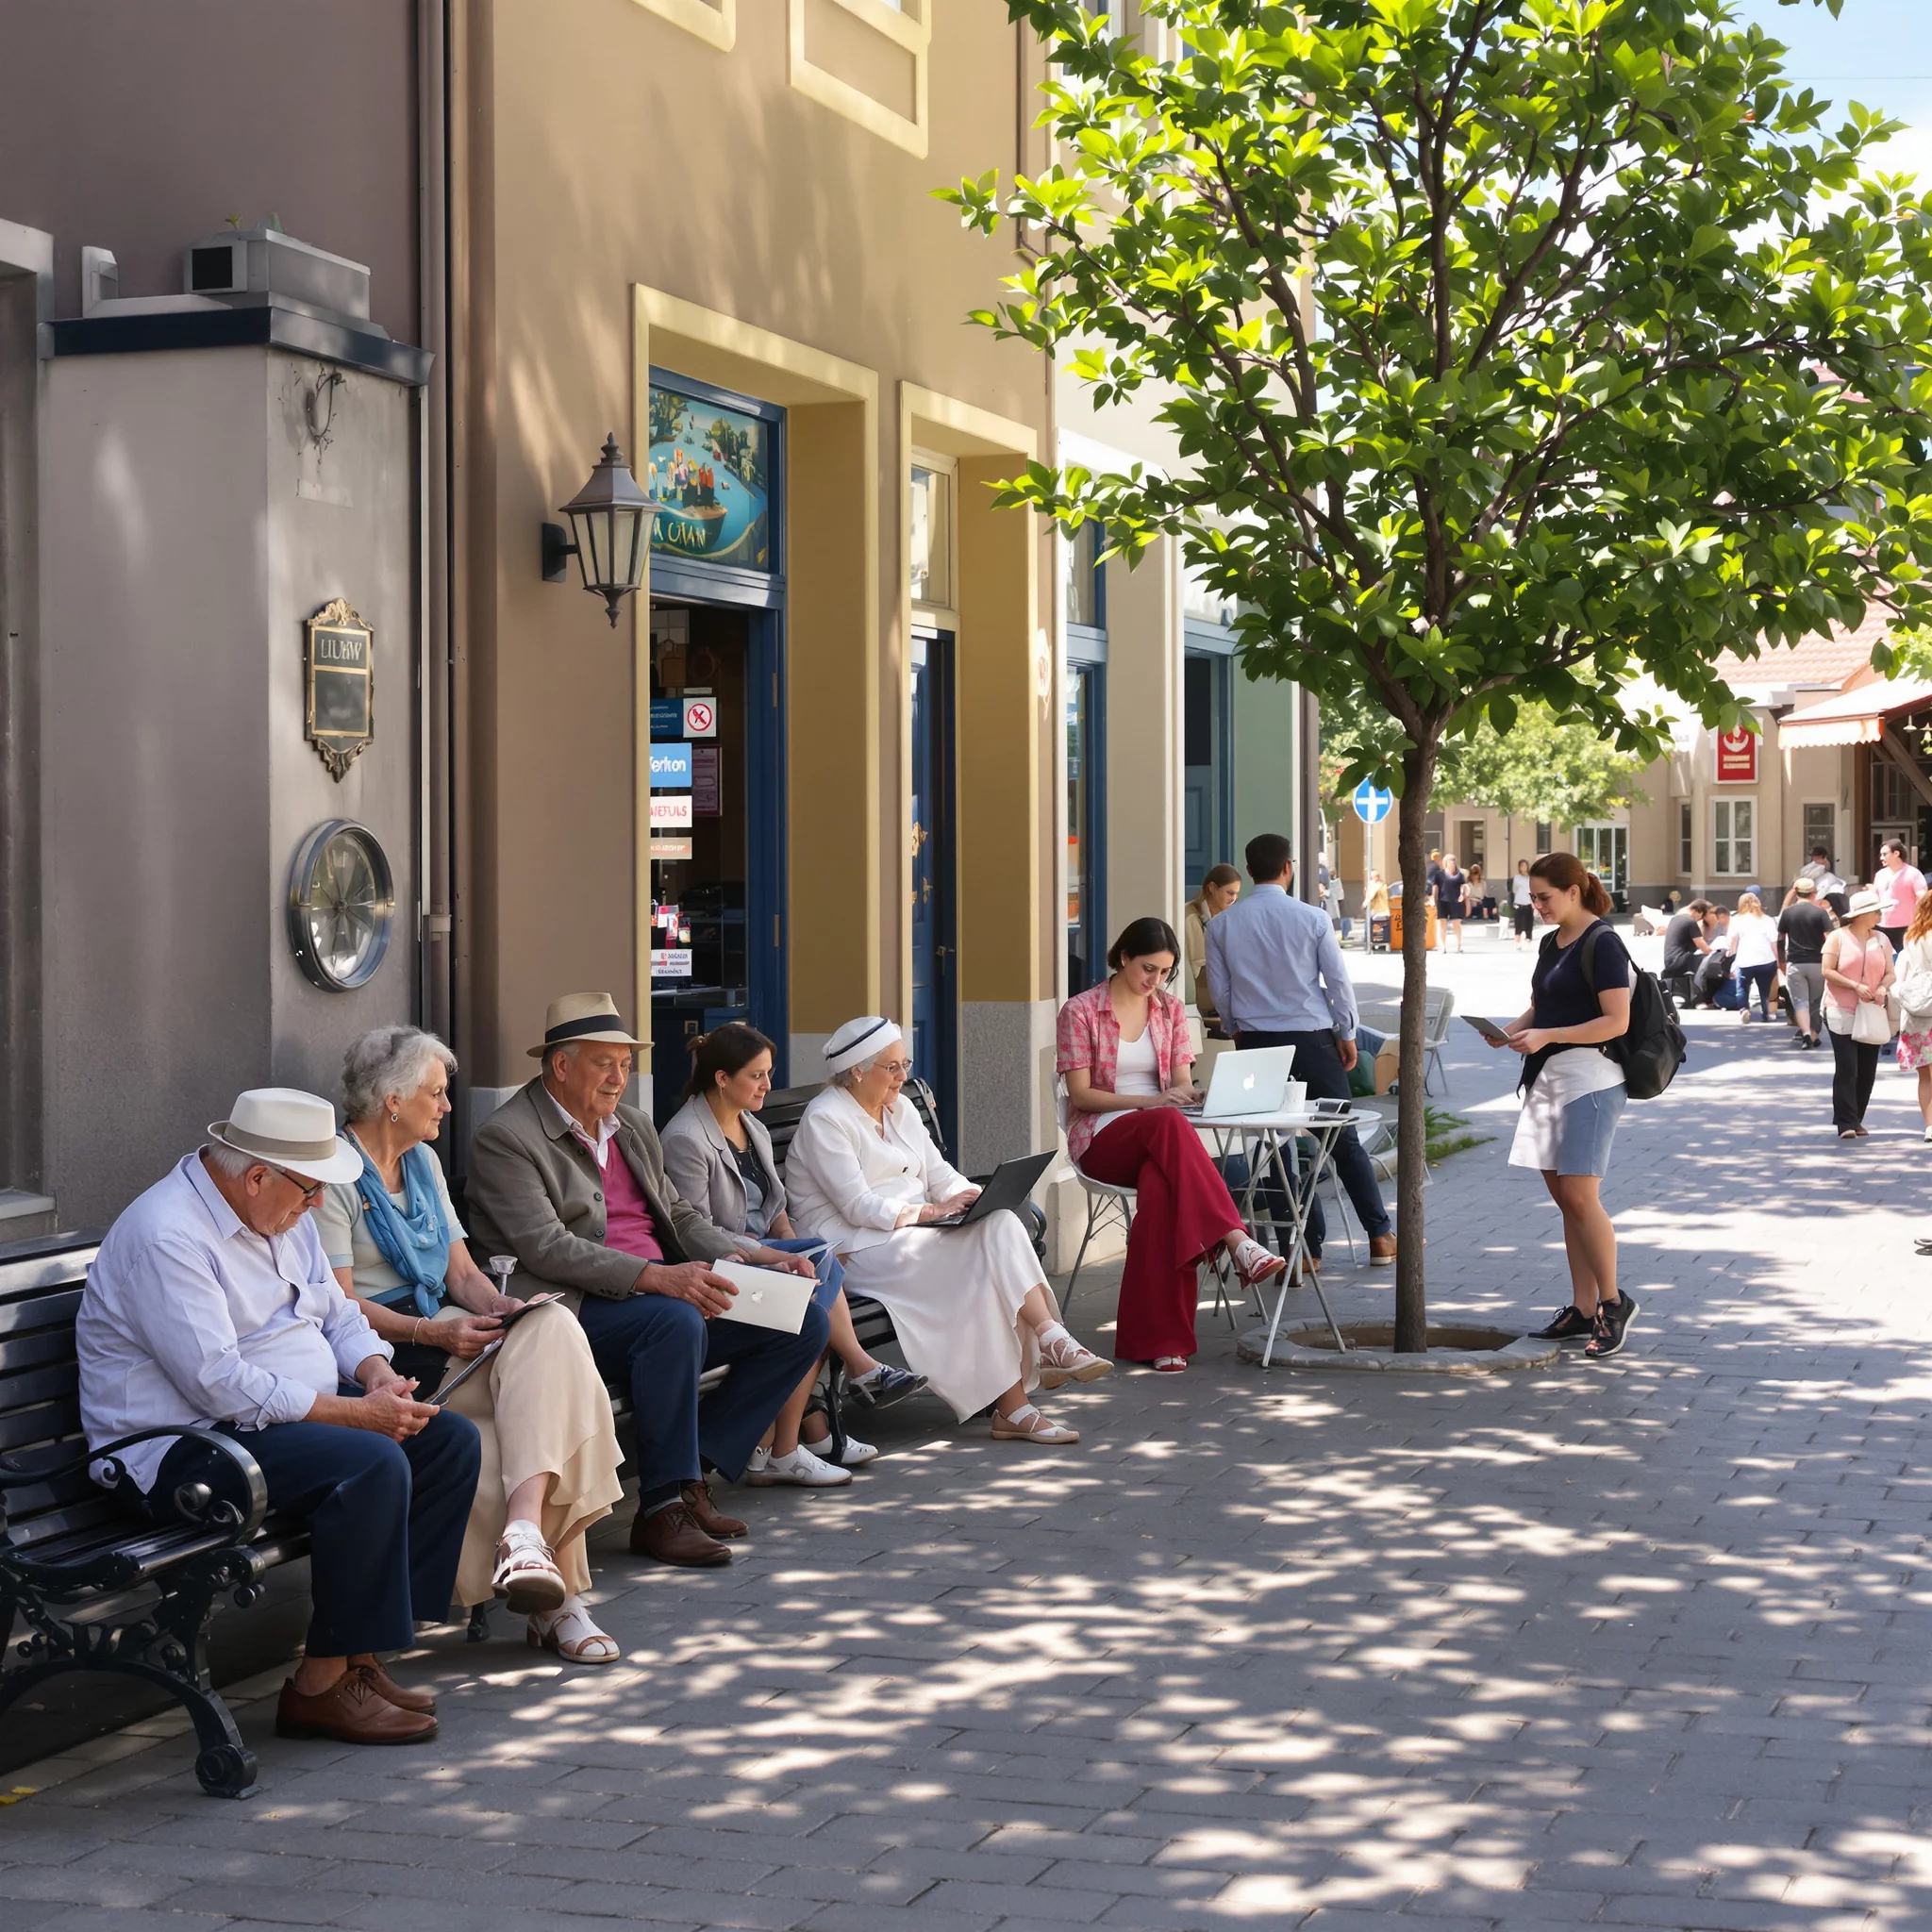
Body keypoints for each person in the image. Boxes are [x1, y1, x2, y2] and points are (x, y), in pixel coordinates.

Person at [76, 1089, 478, 1744]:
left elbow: (338, 1313)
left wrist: (377, 1373)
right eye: (310, 1190)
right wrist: (353, 1414)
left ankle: (361, 1658)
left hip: (266, 1426)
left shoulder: (277, 1214)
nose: (317, 1204)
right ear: (259, 1175)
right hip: (177, 1449)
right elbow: (218, 1385)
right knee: (372, 1461)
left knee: (447, 1439)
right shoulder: (168, 1234)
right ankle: (319, 1686)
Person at [465, 994, 831, 1569]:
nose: (619, 1078)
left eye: (625, 1064)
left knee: (798, 1318)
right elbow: (546, 1246)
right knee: (676, 1321)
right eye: (604, 1063)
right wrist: (656, 1278)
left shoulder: (630, 1125)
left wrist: (758, 1257)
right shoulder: (507, 1137)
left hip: (664, 1290)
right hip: (575, 1309)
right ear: (561, 1065)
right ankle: (660, 1509)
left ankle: (691, 1477)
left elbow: (681, 1215)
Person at [315, 1026, 625, 1664]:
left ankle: (523, 1535)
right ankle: (558, 1598)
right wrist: (434, 1330)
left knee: (550, 1325)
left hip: (449, 1328)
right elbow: (339, 1304)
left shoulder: (423, 1163)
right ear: (392, 1100)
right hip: (387, 1353)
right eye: (437, 1093)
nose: (448, 1106)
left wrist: (500, 1307)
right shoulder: (336, 1176)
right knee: (522, 1417)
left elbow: (462, 1274)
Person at [785, 1017, 1108, 1443]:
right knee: (980, 1265)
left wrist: (973, 1197)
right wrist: (932, 1212)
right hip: (857, 1247)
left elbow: (942, 1174)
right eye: (893, 1067)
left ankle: (1049, 1343)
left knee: (998, 1222)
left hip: (913, 1232)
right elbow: (857, 1206)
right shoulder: (827, 1119)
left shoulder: (897, 1108)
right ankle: (1027, 1386)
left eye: (906, 1064)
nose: (904, 1077)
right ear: (858, 1070)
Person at [660, 1022, 926, 1483]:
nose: (767, 1084)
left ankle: (784, 1439)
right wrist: (775, 1257)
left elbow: (779, 1210)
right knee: (812, 1293)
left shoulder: (753, 1126)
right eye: (757, 1076)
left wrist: (786, 1248)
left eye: (769, 1073)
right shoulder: (687, 1138)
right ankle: (806, 1426)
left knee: (816, 1274)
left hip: (767, 1258)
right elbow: (697, 1233)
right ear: (722, 1078)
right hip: (728, 1269)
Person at [1058, 918, 1291, 1371]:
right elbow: (1082, 1095)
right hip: (1102, 1138)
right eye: (1148, 969)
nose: (1155, 981)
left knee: (1164, 1193)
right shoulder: (1081, 1010)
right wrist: (1152, 1102)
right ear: (1123, 958)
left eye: (1164, 972)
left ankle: (1163, 1342)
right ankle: (1237, 1238)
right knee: (1165, 1121)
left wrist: (1193, 1094)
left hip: (1162, 1139)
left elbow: (1180, 1082)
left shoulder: (1168, 1011)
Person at [1205, 832, 1396, 1265]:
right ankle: (1380, 1235)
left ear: (1249, 871)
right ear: (1288, 867)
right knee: (1340, 1137)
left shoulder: (1221, 925)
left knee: (1275, 1144)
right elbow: (1338, 981)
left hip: (1256, 1045)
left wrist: (1238, 1030)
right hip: (1313, 1040)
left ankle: (1303, 1250)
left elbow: (1221, 991)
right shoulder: (1312, 918)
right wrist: (1346, 1032)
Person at [1486, 856, 1638, 1360]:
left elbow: (1616, 1021)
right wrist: (1508, 1030)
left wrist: (1549, 1034)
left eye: (1545, 897)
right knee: (1566, 1199)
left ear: (1574, 891)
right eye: (1533, 897)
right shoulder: (1551, 942)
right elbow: (1541, 1005)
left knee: (1579, 1195)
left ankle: (1613, 1304)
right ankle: (1581, 1306)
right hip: (1548, 1080)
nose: (1537, 906)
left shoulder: (1604, 942)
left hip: (1591, 1079)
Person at [1822, 889, 1897, 1138]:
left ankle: (1857, 1118)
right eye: (1875, 911)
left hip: (1872, 1010)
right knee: (1847, 1067)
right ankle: (1845, 1122)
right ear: (1860, 915)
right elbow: (1827, 970)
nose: (1879, 914)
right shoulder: (1837, 937)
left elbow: (1890, 971)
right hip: (1839, 1009)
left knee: (1867, 1070)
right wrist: (1855, 986)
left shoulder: (1881, 939)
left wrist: (1883, 988)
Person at [1774, 879, 1834, 1051]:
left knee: (1800, 1001)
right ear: (1814, 892)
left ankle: (1806, 1032)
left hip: (1795, 962)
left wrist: (1782, 961)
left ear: (1796, 892)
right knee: (1815, 1001)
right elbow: (1830, 939)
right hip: (1817, 962)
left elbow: (1780, 939)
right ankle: (1813, 1032)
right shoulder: (1821, 913)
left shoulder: (1788, 913)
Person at [1182, 864, 1242, 1023]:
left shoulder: (1230, 917)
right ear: (1212, 888)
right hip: (1202, 1007)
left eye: (1236, 894)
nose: (1233, 899)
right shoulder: (1190, 918)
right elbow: (1200, 971)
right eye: (1230, 893)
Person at [1895, 891, 1932, 1141]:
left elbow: (1902, 973)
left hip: (1918, 1008)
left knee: (1924, 1076)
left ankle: (1930, 1126)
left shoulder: (1912, 936)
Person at [1722, 891, 1781, 1024]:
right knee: (1765, 989)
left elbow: (1733, 941)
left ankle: (1744, 1009)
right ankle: (1766, 1013)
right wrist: (1778, 960)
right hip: (1766, 959)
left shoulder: (1737, 919)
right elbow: (1773, 942)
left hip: (1745, 960)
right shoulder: (1767, 920)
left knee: (1742, 987)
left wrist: (1730, 952)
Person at [1874, 840, 1926, 954]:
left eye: (1884, 854)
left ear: (1896, 853)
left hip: (1907, 927)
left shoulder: (1913, 874)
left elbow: (1922, 900)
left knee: (1906, 960)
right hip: (1881, 926)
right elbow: (1875, 897)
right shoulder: (1879, 875)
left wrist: (1918, 922)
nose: (1881, 858)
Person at [1662, 898, 1716, 993]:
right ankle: (1703, 995)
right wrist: (1715, 953)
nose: (1701, 919)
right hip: (1682, 960)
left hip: (1670, 960)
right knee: (1711, 962)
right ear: (1698, 911)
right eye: (1702, 916)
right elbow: (1703, 947)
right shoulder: (1690, 921)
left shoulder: (1675, 919)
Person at [1510, 860, 1536, 949]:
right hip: (1518, 902)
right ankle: (1517, 941)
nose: (1523, 868)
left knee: (1529, 923)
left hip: (1528, 903)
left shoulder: (1531, 878)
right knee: (1518, 923)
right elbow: (1514, 890)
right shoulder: (1516, 878)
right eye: (1521, 866)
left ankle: (1528, 940)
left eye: (1525, 866)